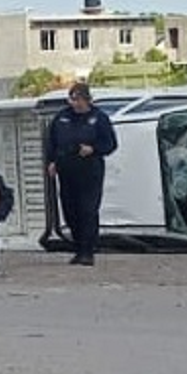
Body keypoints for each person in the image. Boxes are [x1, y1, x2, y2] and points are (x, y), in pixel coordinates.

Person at [44, 82, 118, 266]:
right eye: (72, 99)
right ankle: (77, 248)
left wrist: (93, 149)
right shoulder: (61, 118)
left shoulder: (99, 118)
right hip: (66, 170)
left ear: (87, 100)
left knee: (88, 210)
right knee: (70, 210)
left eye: (78, 99)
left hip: (89, 170)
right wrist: (51, 162)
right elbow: (51, 142)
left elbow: (110, 144)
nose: (74, 103)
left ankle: (87, 251)